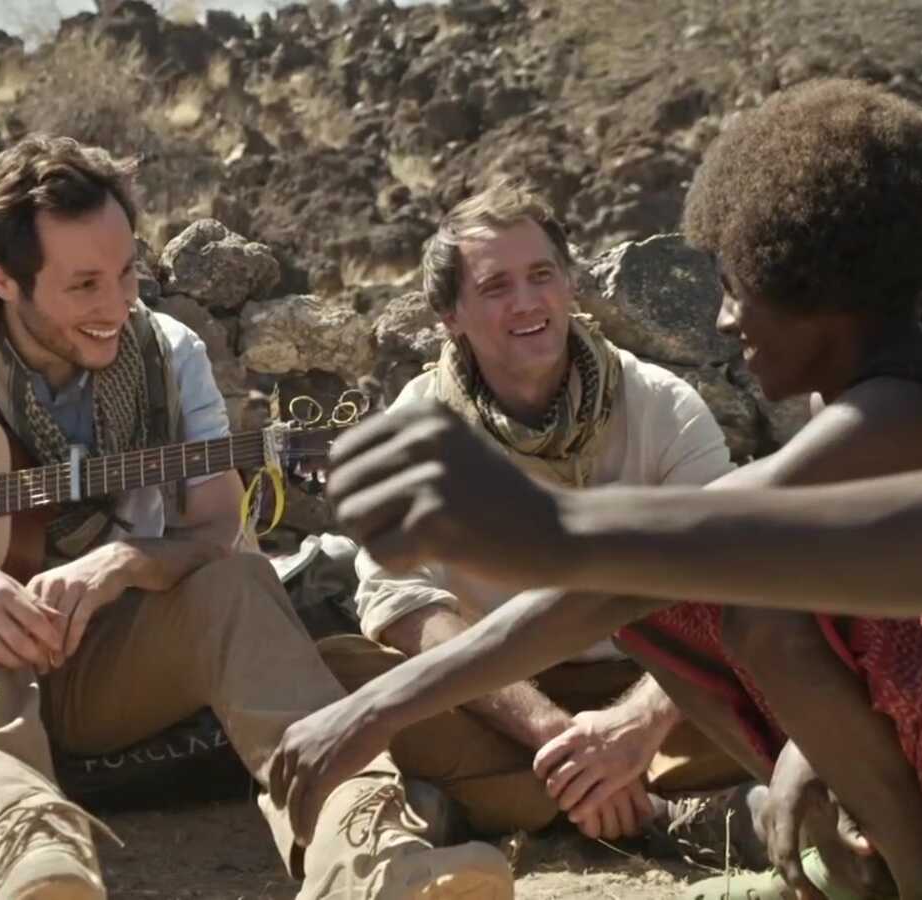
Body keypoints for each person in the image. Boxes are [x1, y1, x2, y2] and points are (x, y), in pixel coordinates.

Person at [270, 80, 922, 900]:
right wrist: (808, 749)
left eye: (737, 286)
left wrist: (376, 711)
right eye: (496, 287)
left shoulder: (903, 409)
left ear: (810, 281)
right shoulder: (897, 378)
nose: (722, 323)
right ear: (451, 317)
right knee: (693, 587)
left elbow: (665, 559)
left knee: (708, 580)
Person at [0, 135, 512, 900]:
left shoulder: (171, 354)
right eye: (84, 286)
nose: (116, 305)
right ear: (3, 276)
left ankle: (368, 854)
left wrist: (126, 562)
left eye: (127, 272)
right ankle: (31, 860)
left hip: (99, 658)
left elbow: (214, 528)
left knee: (238, 579)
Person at [318, 179, 753, 847]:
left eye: (542, 275)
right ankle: (656, 807)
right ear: (449, 315)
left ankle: (510, 806)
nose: (527, 303)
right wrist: (552, 731)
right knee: (337, 672)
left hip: (654, 687)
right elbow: (402, 603)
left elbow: (732, 577)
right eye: (495, 287)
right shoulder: (417, 425)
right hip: (498, 694)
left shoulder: (661, 405)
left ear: (570, 284)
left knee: (791, 648)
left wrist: (634, 727)